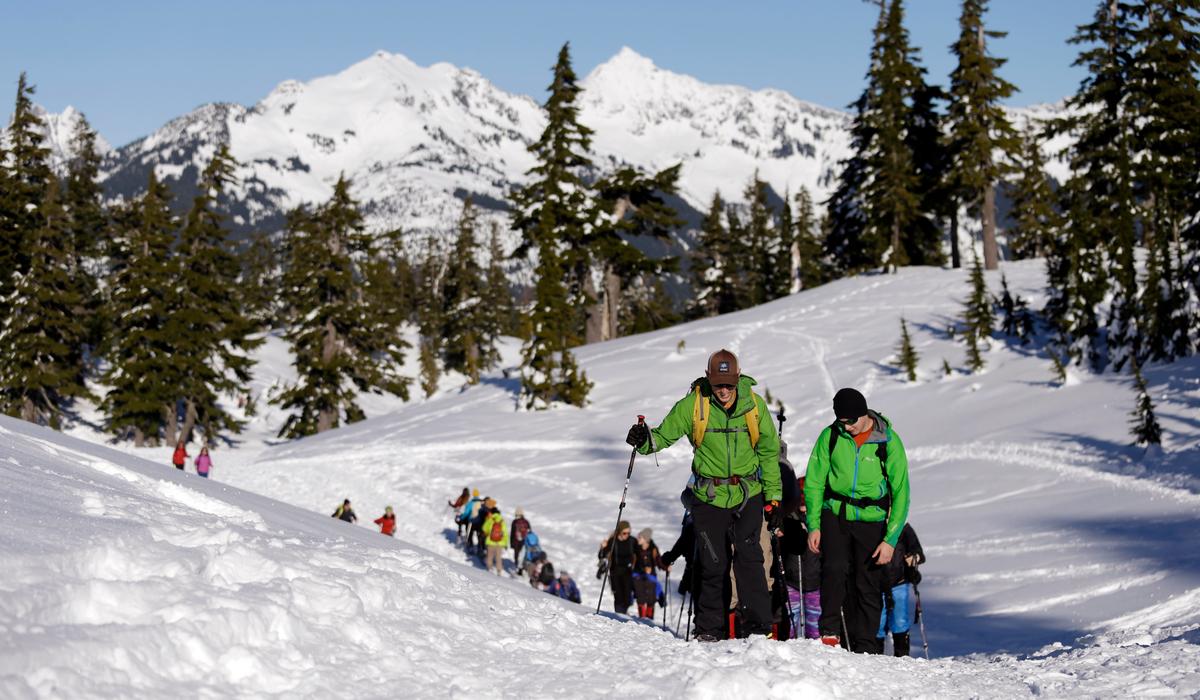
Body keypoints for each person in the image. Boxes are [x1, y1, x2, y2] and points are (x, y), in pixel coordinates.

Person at [625, 349, 782, 641]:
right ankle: (710, 630)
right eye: (718, 384)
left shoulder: (754, 406)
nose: (724, 391)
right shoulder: (693, 406)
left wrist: (773, 498)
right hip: (708, 496)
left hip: (748, 493)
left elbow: (769, 453)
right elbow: (662, 436)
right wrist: (643, 440)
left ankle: (759, 629)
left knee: (750, 559)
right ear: (709, 378)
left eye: (729, 385)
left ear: (738, 380)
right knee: (713, 563)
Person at [804, 388, 910, 654]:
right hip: (836, 513)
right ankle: (829, 632)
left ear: (864, 414)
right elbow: (815, 482)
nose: (847, 426)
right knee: (834, 569)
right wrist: (814, 524)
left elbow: (901, 493)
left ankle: (865, 644)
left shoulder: (888, 441)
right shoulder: (830, 436)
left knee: (868, 581)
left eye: (851, 421)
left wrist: (890, 540)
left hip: (871, 519)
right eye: (842, 421)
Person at [877, 523, 925, 656]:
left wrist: (914, 557)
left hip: (899, 582)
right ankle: (876, 656)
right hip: (876, 584)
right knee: (878, 622)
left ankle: (902, 655)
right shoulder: (872, 524)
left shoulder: (903, 527)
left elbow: (918, 553)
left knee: (899, 620)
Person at [598, 520, 638, 615]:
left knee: (627, 596)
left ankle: (624, 612)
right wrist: (603, 548)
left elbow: (639, 554)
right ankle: (620, 615)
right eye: (624, 533)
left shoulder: (632, 541)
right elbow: (602, 556)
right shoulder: (613, 541)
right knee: (618, 595)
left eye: (628, 533)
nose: (627, 535)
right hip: (615, 571)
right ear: (619, 531)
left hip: (628, 571)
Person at [632, 528, 666, 619]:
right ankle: (642, 617)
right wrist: (644, 569)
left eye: (640, 537)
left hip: (651, 576)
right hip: (638, 575)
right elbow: (633, 562)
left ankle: (650, 618)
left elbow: (658, 560)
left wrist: (665, 567)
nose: (638, 539)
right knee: (640, 597)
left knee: (651, 597)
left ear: (646, 539)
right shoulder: (636, 548)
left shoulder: (653, 548)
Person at [482, 501, 508, 576]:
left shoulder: (490, 519)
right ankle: (499, 571)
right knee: (498, 557)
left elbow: (484, 529)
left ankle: (489, 568)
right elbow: (505, 533)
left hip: (490, 542)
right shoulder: (502, 521)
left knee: (489, 556)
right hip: (500, 543)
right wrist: (505, 543)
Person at [511, 508, 531, 573]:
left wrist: (511, 543)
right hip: (524, 541)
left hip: (516, 541)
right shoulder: (526, 522)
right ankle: (522, 568)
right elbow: (530, 531)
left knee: (516, 554)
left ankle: (516, 566)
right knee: (523, 555)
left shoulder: (515, 522)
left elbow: (512, 533)